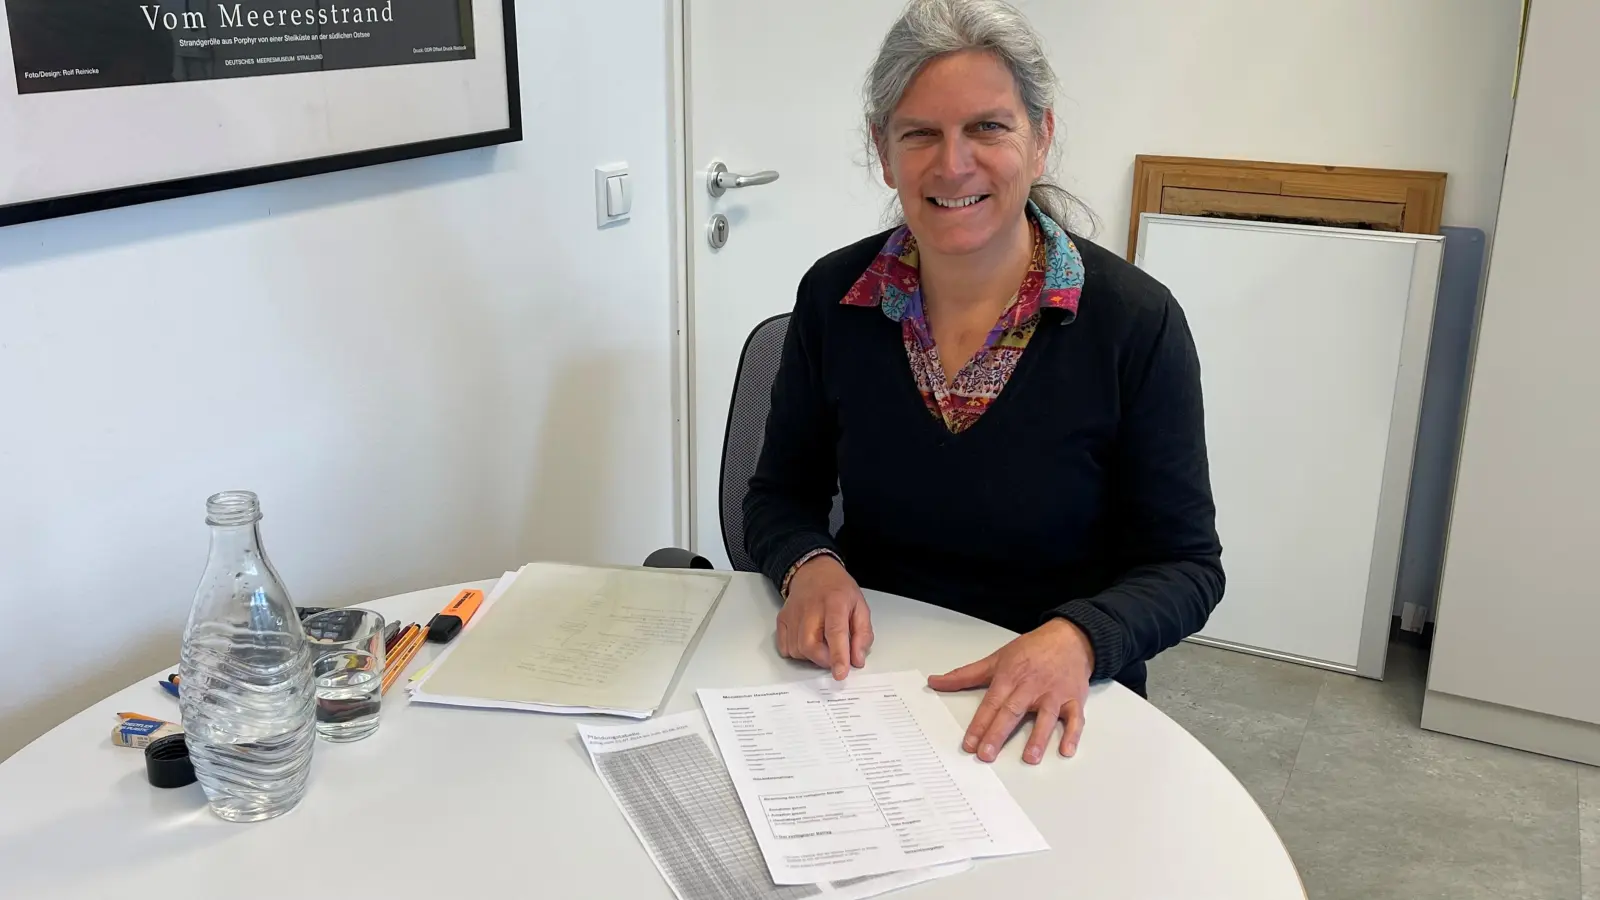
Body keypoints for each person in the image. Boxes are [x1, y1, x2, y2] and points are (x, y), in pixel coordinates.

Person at [742, 0, 1224, 767]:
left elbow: (1186, 567)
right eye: (920, 134)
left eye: (988, 128)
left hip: (1053, 704)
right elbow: (778, 495)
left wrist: (1079, 638)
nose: (953, 163)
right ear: (882, 150)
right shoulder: (835, 298)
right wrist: (812, 565)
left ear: (1041, 138)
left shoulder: (1135, 322)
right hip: (867, 683)